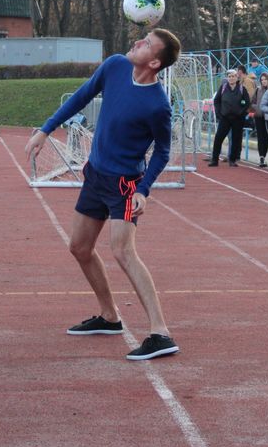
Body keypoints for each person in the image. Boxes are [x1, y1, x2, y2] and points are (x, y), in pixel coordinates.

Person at [24, 28, 182, 361]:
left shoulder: (157, 105)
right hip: (95, 175)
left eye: (146, 44)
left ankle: (160, 332)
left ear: (154, 61)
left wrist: (143, 189)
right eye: (142, 38)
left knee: (123, 251)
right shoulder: (113, 66)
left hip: (125, 183)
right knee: (79, 247)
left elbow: (164, 151)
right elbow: (81, 96)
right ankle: (110, 317)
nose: (138, 42)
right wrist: (45, 129)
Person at [209, 69, 251, 167]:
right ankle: (214, 159)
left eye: (233, 76)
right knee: (218, 138)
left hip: (238, 119)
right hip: (225, 118)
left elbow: (247, 102)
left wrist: (242, 113)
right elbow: (216, 101)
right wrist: (219, 113)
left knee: (236, 139)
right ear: (227, 78)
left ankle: (232, 160)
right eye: (229, 76)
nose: (231, 78)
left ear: (237, 78)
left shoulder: (242, 89)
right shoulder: (223, 87)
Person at [252, 73, 268, 167]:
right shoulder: (258, 90)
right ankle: (261, 157)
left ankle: (265, 156)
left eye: (265, 79)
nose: (263, 81)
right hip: (259, 116)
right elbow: (252, 102)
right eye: (262, 79)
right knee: (260, 137)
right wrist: (257, 108)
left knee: (266, 137)